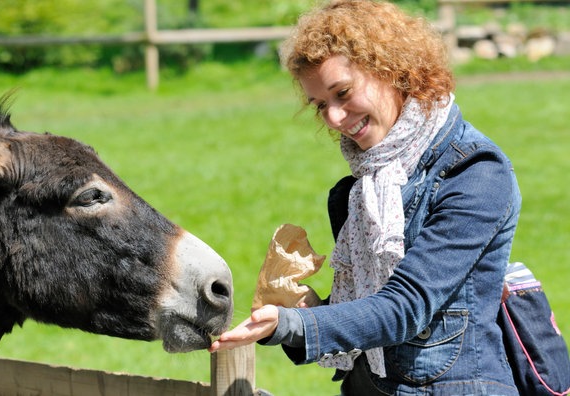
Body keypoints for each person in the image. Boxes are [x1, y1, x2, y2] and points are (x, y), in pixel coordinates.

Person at [208, 1, 522, 394]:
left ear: (393, 69)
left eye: (343, 92)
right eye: (321, 104)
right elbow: (369, 320)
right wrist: (303, 308)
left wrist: (292, 325)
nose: (335, 118)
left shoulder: (476, 172)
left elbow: (405, 308)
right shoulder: (366, 187)